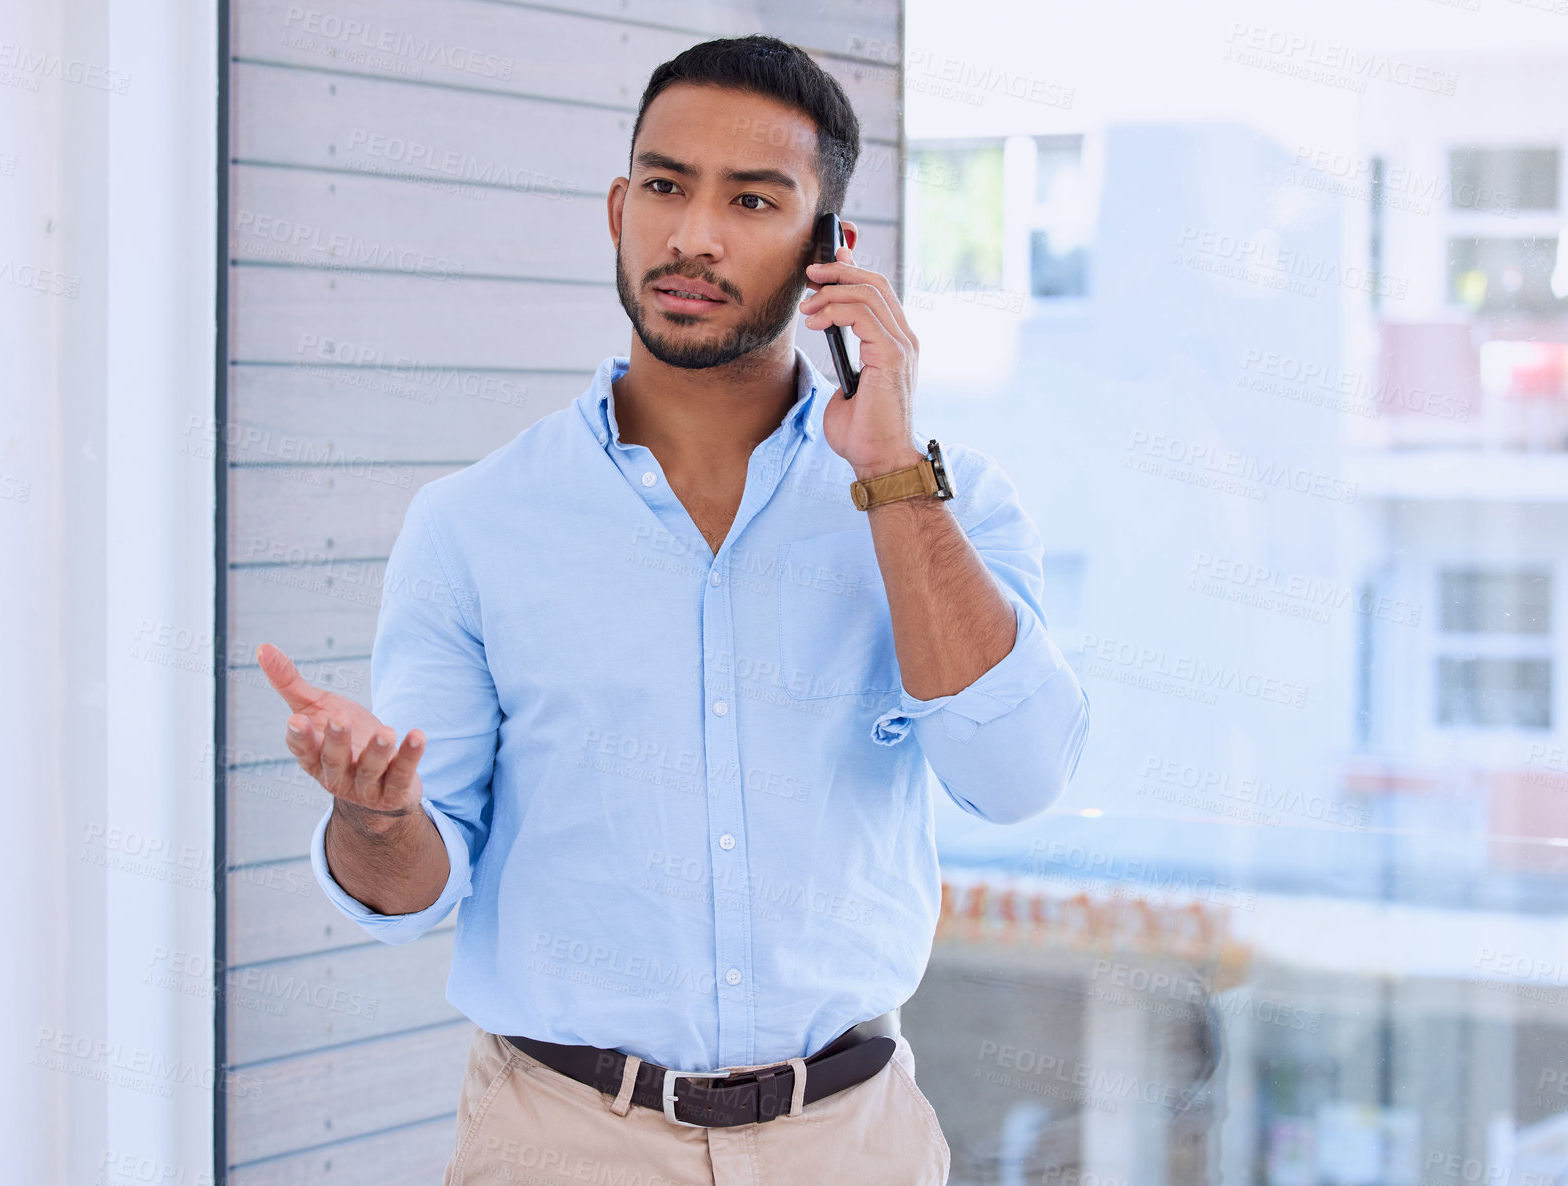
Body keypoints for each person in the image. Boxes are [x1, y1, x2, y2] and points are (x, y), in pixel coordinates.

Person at [256, 33, 1090, 1186]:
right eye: (664, 185)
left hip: (849, 1144)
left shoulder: (942, 506)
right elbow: (411, 886)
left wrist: (890, 469)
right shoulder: (474, 524)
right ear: (617, 208)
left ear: (827, 249)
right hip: (558, 1142)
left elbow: (1018, 776)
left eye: (753, 199)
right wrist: (379, 816)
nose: (693, 235)